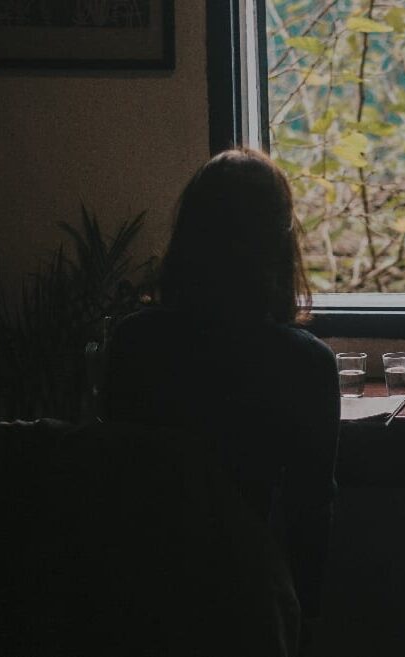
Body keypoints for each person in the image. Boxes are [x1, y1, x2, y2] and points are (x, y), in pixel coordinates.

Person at [104, 148, 340, 656]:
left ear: (187, 235)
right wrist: (306, 616)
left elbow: (119, 474)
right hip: (242, 600)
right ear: (278, 245)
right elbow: (309, 508)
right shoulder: (305, 362)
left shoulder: (132, 342)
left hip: (138, 591)